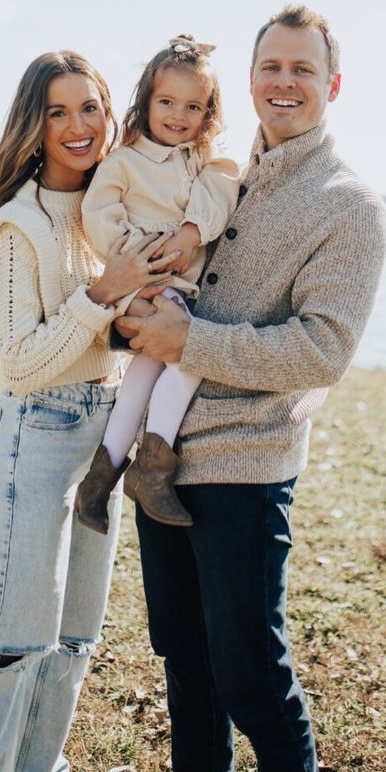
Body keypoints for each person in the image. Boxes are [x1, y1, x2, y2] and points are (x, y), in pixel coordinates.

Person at [116, 6, 386, 772]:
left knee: (252, 679)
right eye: (270, 66)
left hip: (246, 468)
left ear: (332, 85)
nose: (283, 81)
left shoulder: (350, 206)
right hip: (159, 465)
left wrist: (189, 342)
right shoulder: (220, 180)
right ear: (249, 79)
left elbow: (323, 350)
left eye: (302, 68)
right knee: (186, 671)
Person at [0, 51, 180, 772]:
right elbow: (19, 363)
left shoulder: (112, 215)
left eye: (91, 107)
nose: (78, 126)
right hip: (35, 436)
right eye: (58, 111)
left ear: (114, 115)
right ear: (34, 128)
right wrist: (104, 295)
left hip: (102, 434)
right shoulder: (21, 225)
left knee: (72, 643)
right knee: (13, 642)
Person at [76, 36, 239, 533]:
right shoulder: (123, 162)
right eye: (166, 102)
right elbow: (97, 215)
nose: (177, 114)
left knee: (140, 382)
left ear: (208, 112)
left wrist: (190, 233)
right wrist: (137, 257)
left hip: (174, 291)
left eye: (193, 106)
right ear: (146, 101)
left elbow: (222, 190)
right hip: (141, 284)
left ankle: (99, 480)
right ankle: (152, 472)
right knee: (190, 361)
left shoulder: (203, 161)